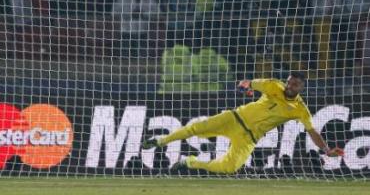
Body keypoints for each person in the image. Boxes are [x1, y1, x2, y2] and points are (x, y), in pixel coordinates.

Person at [143, 72, 344, 174]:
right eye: (290, 81)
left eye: (296, 84)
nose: (291, 85)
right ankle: (160, 141)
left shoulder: (301, 109)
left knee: (229, 168)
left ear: (301, 87)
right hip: (234, 118)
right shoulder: (273, 85)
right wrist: (245, 88)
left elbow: (312, 131)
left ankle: (189, 162)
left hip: (249, 137)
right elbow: (246, 83)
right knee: (196, 128)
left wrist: (326, 150)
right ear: (287, 81)